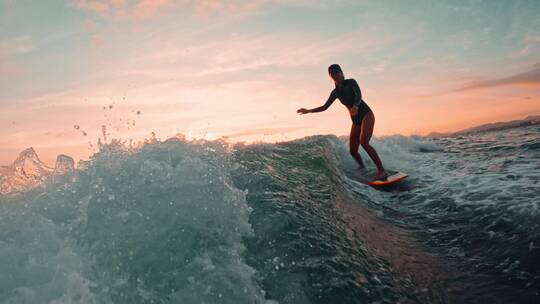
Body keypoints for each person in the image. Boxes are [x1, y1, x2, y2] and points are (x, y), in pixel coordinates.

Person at [296, 64, 388, 180]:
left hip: (366, 114)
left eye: (337, 72)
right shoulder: (335, 92)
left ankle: (381, 170)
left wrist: (355, 105)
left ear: (341, 72)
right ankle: (362, 167)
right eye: (332, 74)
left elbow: (359, 95)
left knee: (364, 142)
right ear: (330, 76)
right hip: (355, 121)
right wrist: (308, 111)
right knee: (353, 151)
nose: (335, 75)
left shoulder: (351, 82)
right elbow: (325, 107)